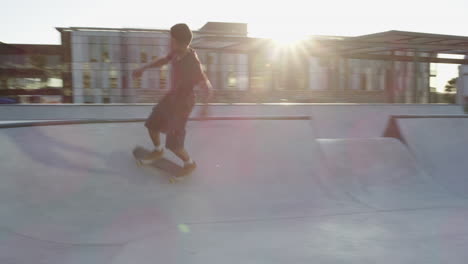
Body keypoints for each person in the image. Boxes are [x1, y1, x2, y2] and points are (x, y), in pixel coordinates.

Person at [132, 23, 212, 173]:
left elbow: (206, 86)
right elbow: (163, 60)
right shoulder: (176, 52)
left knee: (174, 144)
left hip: (183, 104)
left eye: (171, 39)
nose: (169, 42)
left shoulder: (192, 63)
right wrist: (143, 68)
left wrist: (205, 108)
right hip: (172, 97)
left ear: (177, 41)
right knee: (152, 124)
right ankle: (158, 150)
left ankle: (189, 163)